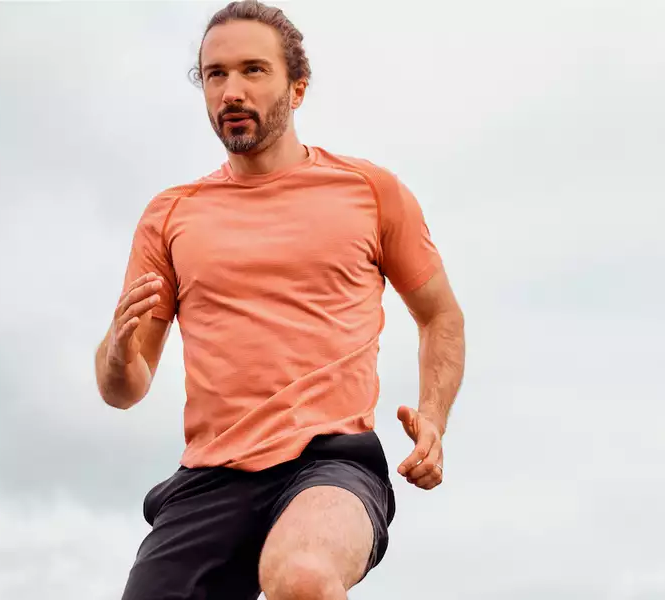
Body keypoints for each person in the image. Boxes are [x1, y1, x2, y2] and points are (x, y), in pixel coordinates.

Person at [93, 1, 465, 598]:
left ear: (297, 88)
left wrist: (435, 419)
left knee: (303, 577)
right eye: (216, 74)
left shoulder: (370, 192)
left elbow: (440, 314)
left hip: (331, 461)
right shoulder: (171, 215)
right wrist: (115, 355)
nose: (231, 90)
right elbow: (124, 388)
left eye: (253, 70)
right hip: (210, 474)